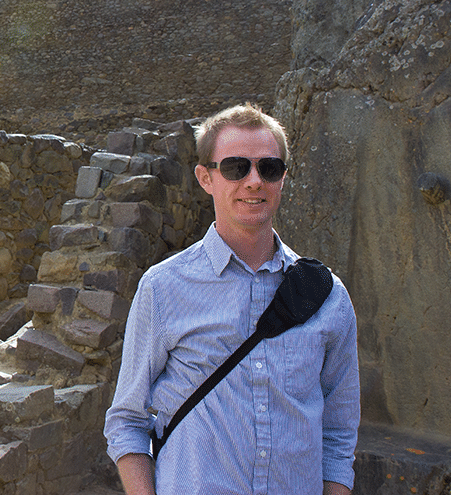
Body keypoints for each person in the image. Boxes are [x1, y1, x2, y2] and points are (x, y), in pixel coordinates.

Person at [104, 103, 359, 495]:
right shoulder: (163, 288)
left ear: (283, 178)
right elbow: (127, 421)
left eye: (268, 168)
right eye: (236, 167)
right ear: (206, 178)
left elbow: (338, 434)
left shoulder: (329, 298)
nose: (254, 181)